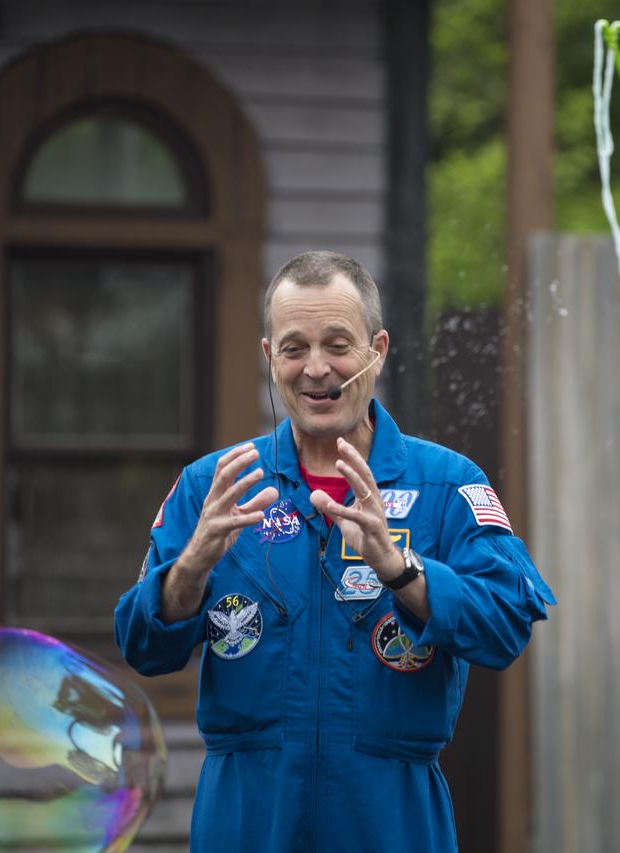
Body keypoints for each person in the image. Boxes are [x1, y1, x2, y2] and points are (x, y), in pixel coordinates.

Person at [114, 250, 554, 852]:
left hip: (392, 821)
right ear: (270, 359)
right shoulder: (214, 486)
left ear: (378, 350)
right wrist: (191, 567)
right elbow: (143, 647)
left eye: (337, 345)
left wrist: (402, 573)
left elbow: (506, 626)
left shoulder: (447, 485)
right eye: (294, 348)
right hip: (247, 822)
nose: (316, 369)